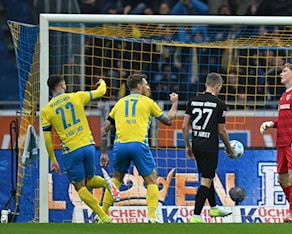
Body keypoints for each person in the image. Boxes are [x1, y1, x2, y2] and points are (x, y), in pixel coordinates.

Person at [99, 73, 178, 223]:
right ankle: (152, 217)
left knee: (116, 179)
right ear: (139, 86)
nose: (148, 87)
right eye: (146, 84)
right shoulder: (148, 102)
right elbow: (168, 121)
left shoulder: (119, 103)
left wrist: (104, 152)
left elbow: (104, 129)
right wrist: (174, 103)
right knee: (151, 181)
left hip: (120, 146)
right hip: (138, 145)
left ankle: (102, 214)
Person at [41, 75, 119, 224]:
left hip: (72, 150)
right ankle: (106, 183)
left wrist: (53, 159)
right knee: (90, 181)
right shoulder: (77, 97)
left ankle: (103, 216)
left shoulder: (47, 110)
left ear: (51, 89)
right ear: (63, 85)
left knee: (80, 187)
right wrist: (102, 82)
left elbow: (47, 138)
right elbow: (101, 92)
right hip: (89, 145)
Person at [259, 63, 292, 223]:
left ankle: (291, 212)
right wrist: (272, 124)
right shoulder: (283, 96)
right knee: (282, 179)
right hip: (281, 142)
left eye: (284, 71)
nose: (281, 74)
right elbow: (285, 119)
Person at [182, 72, 234, 223]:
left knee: (207, 176)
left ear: (206, 84)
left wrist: (188, 145)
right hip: (210, 147)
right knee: (206, 180)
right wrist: (229, 147)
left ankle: (214, 209)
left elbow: (185, 126)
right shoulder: (220, 104)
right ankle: (196, 216)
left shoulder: (192, 101)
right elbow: (222, 130)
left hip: (197, 145)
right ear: (218, 86)